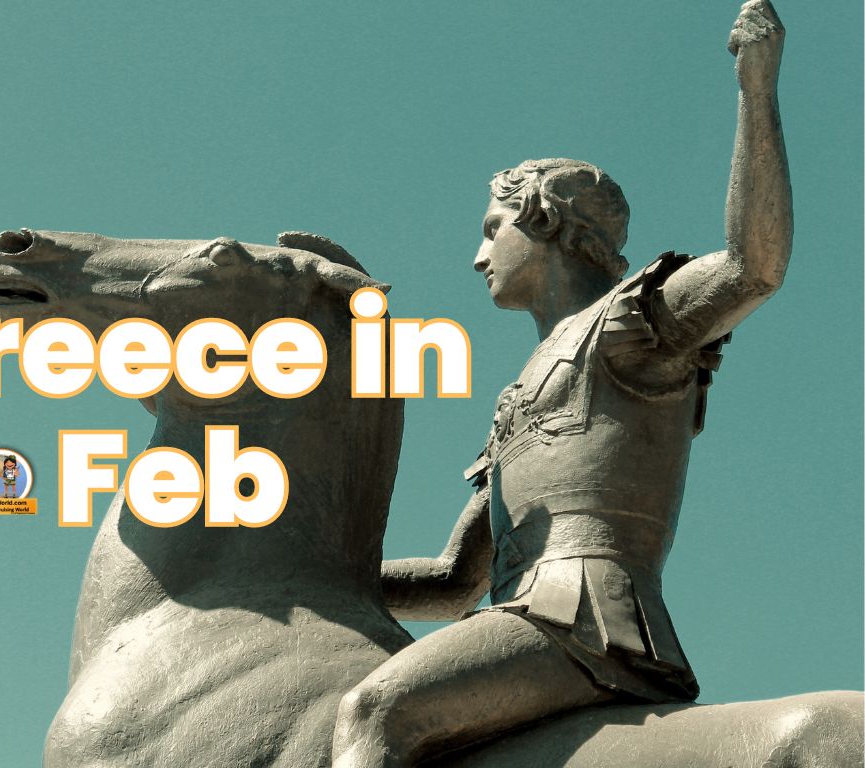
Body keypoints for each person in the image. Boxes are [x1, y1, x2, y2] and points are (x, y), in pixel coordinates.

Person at [331, 2, 791, 765]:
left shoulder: (629, 324)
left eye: (491, 229)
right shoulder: (516, 395)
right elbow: (452, 585)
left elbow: (753, 267)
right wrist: (319, 580)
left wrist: (756, 89)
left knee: (376, 711)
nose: (479, 258)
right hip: (520, 620)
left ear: (541, 221)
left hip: (586, 622)